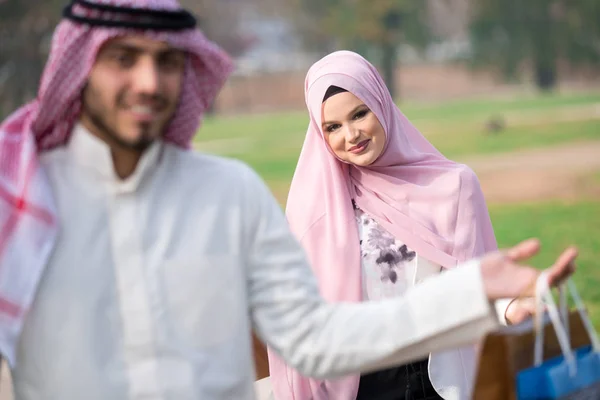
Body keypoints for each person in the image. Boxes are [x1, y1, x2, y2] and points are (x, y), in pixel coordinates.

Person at [0, 2, 576, 400]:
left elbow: (314, 335)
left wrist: (486, 296)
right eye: (121, 61)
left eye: (167, 64)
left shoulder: (230, 195)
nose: (147, 84)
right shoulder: (23, 195)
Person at [265, 51, 551, 400]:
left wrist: (510, 308)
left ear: (382, 104)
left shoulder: (454, 187)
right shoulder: (315, 209)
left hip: (442, 379)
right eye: (333, 127)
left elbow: (476, 278)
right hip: (361, 383)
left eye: (359, 113)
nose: (351, 134)